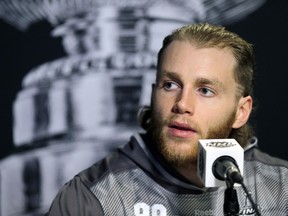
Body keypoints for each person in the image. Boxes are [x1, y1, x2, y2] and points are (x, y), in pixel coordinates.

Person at [46, 23, 288, 215]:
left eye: (205, 90)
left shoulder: (281, 188)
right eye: (170, 85)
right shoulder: (89, 197)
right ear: (154, 94)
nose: (182, 104)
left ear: (240, 112)